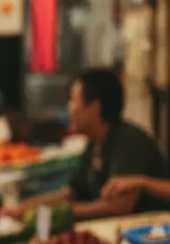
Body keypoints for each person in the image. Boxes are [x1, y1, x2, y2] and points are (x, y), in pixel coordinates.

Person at [14, 68, 169, 220]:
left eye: (73, 100)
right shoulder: (94, 144)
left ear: (95, 107)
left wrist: (50, 214)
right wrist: (24, 208)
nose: (69, 108)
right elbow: (72, 193)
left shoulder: (129, 141)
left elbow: (119, 206)